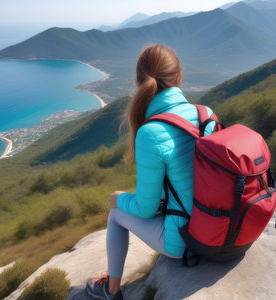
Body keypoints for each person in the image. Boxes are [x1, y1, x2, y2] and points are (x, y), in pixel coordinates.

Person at [86, 44, 215, 300]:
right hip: (216, 226)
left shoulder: (150, 132)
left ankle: (111, 290)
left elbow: (145, 208)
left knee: (115, 212)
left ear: (139, 81)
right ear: (179, 76)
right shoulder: (205, 115)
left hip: (185, 241)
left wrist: (118, 198)